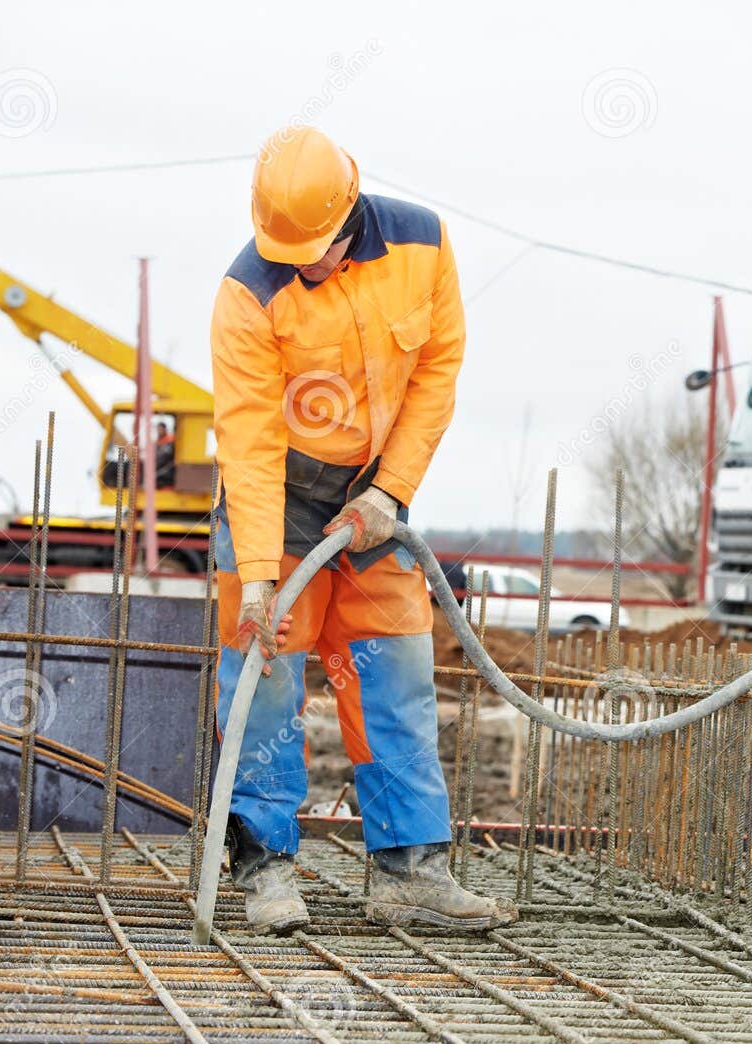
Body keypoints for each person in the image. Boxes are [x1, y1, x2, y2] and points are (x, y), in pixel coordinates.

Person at [209, 125, 515, 933]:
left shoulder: (422, 243)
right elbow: (245, 433)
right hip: (273, 497)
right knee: (264, 678)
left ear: (352, 209)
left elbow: (438, 370)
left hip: (374, 500)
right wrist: (260, 570)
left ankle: (411, 869)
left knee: (396, 674)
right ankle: (266, 870)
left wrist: (391, 489)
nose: (302, 261)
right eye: (289, 249)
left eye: (315, 247)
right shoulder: (247, 292)